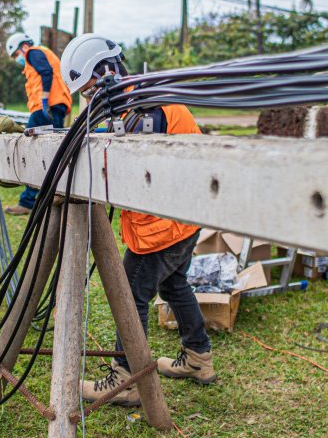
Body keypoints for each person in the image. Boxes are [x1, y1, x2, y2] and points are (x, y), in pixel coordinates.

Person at [60, 34, 216, 407]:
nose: (88, 99)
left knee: (130, 295)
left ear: (106, 72)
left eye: (88, 90)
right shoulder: (139, 100)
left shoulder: (148, 109)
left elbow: (135, 163)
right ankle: (199, 359)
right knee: (174, 285)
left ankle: (124, 378)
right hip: (181, 219)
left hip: (163, 227)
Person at [3, 33, 72, 215]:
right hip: (54, 106)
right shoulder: (42, 53)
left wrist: (44, 99)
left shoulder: (32, 53)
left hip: (46, 107)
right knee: (51, 152)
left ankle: (28, 201)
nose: (17, 59)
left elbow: (46, 72)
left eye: (15, 54)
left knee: (31, 150)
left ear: (21, 47)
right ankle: (52, 194)